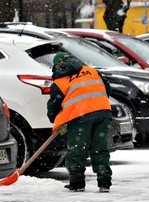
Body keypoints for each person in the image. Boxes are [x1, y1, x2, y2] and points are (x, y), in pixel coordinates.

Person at [47, 52, 113, 192]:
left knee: (77, 150)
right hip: (103, 113)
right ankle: (104, 182)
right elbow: (107, 89)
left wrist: (55, 119)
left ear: (57, 65)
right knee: (99, 148)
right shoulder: (92, 71)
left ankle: (77, 183)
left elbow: (54, 105)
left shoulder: (60, 80)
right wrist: (97, 106)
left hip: (80, 116)